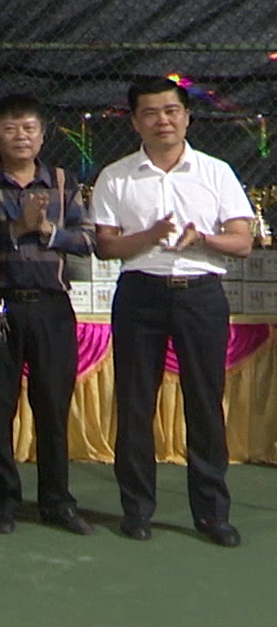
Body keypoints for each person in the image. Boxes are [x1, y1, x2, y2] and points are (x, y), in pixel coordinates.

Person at [91, 76, 254, 547]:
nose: (162, 120)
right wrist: (150, 235)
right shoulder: (116, 176)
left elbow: (242, 241)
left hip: (201, 294)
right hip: (140, 294)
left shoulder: (216, 172)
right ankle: (137, 509)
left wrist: (203, 239)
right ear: (134, 121)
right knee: (135, 402)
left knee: (205, 402)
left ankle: (212, 514)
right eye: (150, 112)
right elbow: (106, 246)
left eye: (171, 111)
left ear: (186, 116)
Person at [0, 94, 95, 535]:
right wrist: (16, 229)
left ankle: (57, 501)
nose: (20, 136)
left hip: (51, 306)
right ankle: (1, 502)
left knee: (53, 406)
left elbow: (88, 240)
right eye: (10, 129)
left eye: (28, 128)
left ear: (42, 135)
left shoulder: (62, 182)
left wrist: (47, 230)